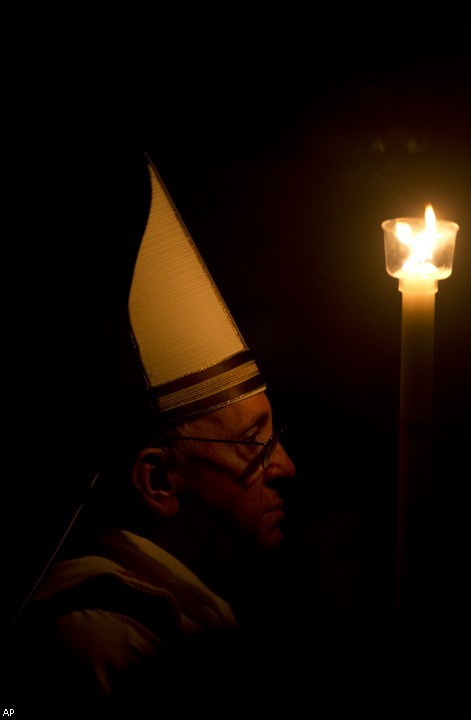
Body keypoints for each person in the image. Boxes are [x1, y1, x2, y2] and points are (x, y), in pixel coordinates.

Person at [6, 152, 297, 715]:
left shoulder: (207, 608)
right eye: (252, 443)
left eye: (274, 434)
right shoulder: (105, 642)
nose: (286, 466)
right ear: (160, 480)